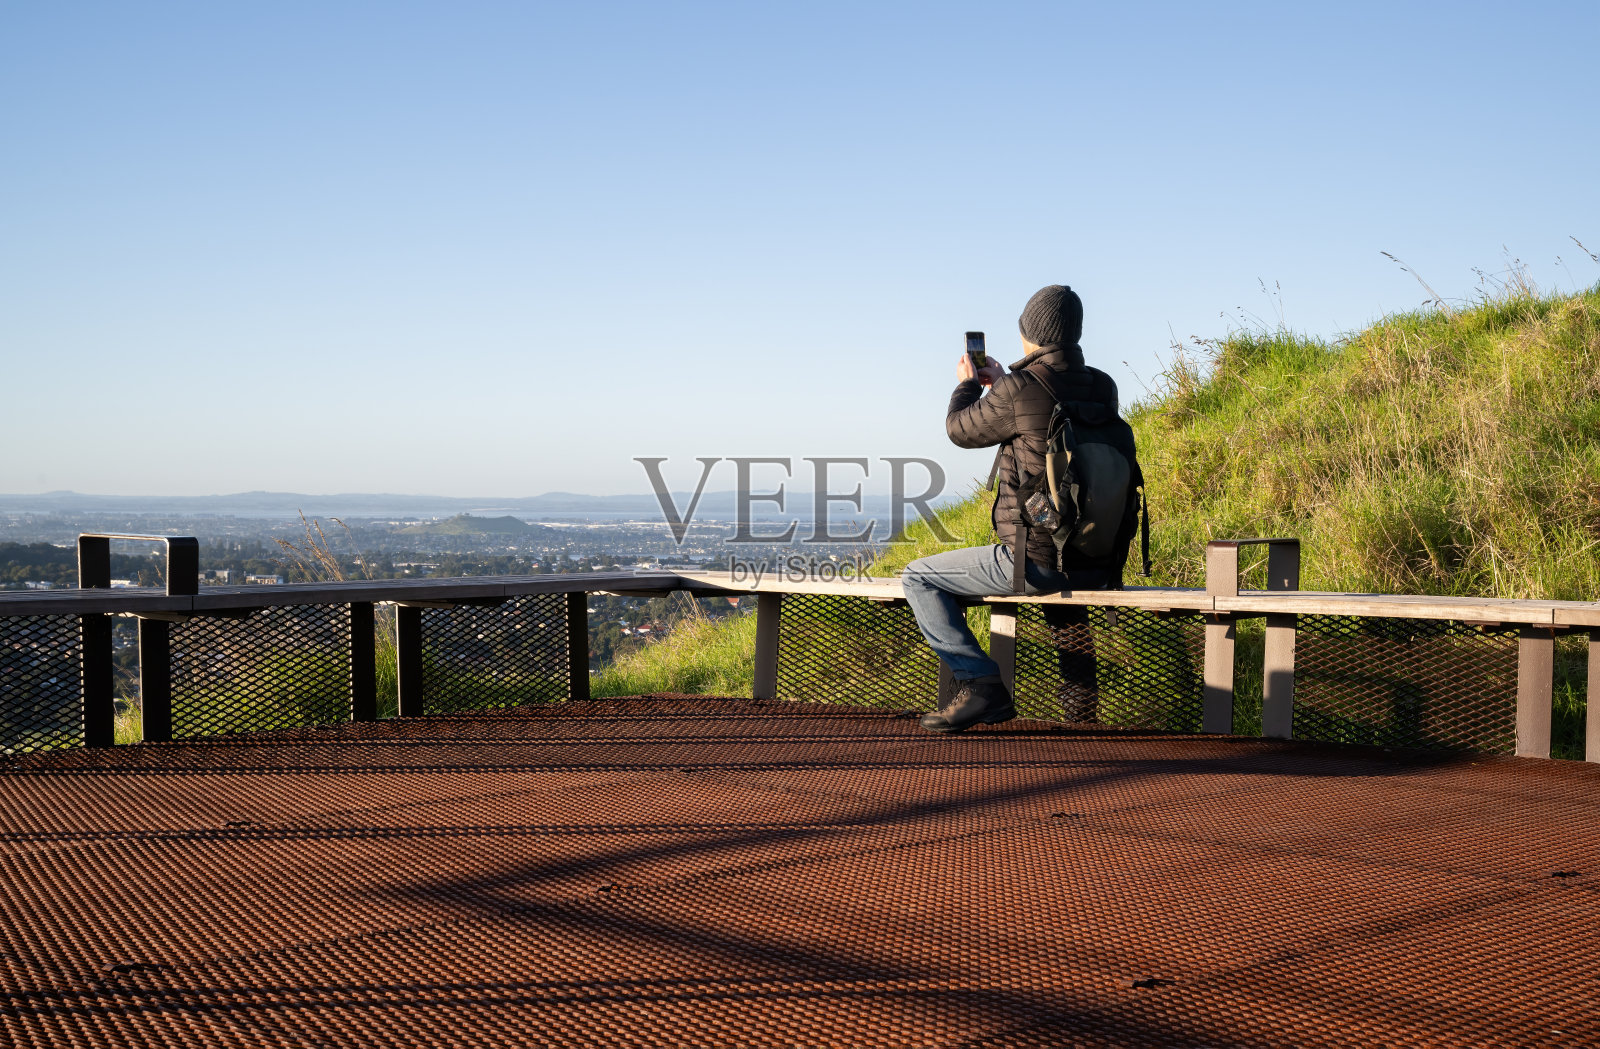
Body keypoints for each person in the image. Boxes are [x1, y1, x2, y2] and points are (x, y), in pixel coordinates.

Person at [902, 284, 1140, 734]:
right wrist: (1005, 383)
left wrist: (970, 385)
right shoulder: (1102, 385)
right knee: (1063, 593)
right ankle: (1081, 718)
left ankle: (981, 684)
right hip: (1096, 559)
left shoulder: (1019, 389)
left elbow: (960, 430)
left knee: (918, 576)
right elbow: (1041, 407)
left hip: (1035, 562)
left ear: (1029, 334)